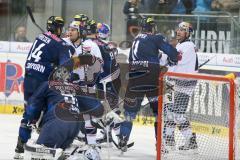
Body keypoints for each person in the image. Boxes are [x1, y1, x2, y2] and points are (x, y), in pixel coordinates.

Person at [14, 16, 75, 159]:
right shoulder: (61, 45)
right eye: (61, 27)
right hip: (42, 83)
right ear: (57, 28)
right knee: (50, 114)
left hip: (28, 80)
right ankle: (45, 145)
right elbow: (66, 68)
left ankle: (20, 147)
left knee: (29, 115)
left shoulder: (39, 37)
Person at [118, 17, 180, 152]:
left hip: (134, 77)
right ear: (152, 28)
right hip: (151, 77)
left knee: (129, 112)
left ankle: (123, 139)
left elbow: (132, 59)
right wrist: (173, 58)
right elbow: (173, 54)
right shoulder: (156, 37)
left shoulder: (136, 40)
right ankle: (160, 145)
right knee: (158, 113)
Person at [63, 20, 104, 158]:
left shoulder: (90, 45)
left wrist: (88, 79)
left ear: (80, 32)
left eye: (73, 30)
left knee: (88, 117)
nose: (70, 32)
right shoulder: (65, 44)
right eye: (69, 29)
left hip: (84, 88)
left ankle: (92, 147)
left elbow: (99, 66)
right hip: (68, 88)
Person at [164, 21, 198, 152]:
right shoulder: (180, 45)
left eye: (182, 30)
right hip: (171, 82)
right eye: (178, 29)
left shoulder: (188, 46)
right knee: (169, 112)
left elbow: (176, 61)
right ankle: (170, 139)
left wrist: (165, 57)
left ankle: (189, 140)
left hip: (184, 84)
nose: (178, 31)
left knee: (177, 114)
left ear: (188, 33)